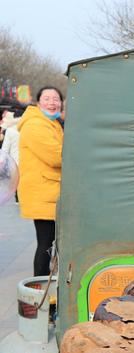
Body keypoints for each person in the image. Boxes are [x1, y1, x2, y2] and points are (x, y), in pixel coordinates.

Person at [17, 87, 64, 276]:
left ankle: (46, 288)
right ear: (38, 103)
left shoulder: (51, 123)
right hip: (43, 192)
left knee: (48, 243)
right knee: (45, 243)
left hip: (50, 191)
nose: (52, 103)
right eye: (47, 99)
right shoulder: (35, 124)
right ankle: (40, 289)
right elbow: (56, 156)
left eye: (56, 99)